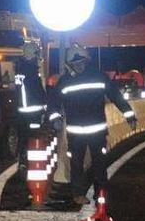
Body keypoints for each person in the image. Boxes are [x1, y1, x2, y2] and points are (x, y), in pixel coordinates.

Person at [48, 44, 137, 206]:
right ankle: (79, 194)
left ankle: (101, 193)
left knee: (99, 163)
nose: (79, 66)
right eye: (75, 63)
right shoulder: (66, 81)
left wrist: (129, 114)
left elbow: (116, 96)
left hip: (95, 131)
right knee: (77, 164)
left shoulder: (96, 77)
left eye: (81, 62)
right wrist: (54, 119)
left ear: (86, 61)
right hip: (77, 133)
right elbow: (53, 103)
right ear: (69, 65)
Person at [14, 42, 46, 170]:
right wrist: (45, 103)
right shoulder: (30, 70)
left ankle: (23, 159)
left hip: (22, 111)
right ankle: (31, 162)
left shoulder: (20, 68)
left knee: (24, 136)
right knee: (33, 137)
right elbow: (37, 91)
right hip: (33, 111)